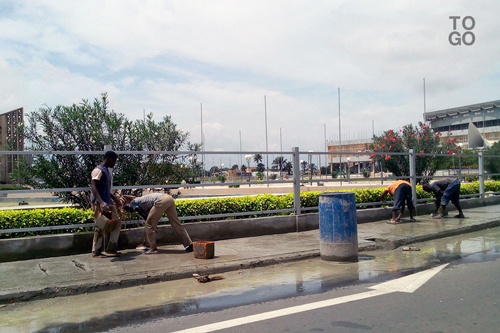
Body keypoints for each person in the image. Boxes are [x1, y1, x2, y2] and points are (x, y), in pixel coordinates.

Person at [119, 193, 193, 254]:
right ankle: (189, 245)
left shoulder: (133, 203)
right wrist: (153, 223)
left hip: (160, 200)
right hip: (168, 198)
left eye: (127, 209)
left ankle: (152, 249)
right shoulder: (142, 201)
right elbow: (151, 215)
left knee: (149, 224)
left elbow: (143, 215)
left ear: (127, 204)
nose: (130, 211)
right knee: (176, 223)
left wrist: (152, 224)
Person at [89, 151, 122, 258]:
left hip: (108, 202)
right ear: (108, 158)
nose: (115, 163)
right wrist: (101, 202)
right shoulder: (98, 170)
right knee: (100, 226)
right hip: (100, 203)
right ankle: (96, 251)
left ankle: (111, 248)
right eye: (114, 160)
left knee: (117, 222)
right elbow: (93, 186)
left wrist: (114, 198)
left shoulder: (106, 171)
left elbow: (104, 189)